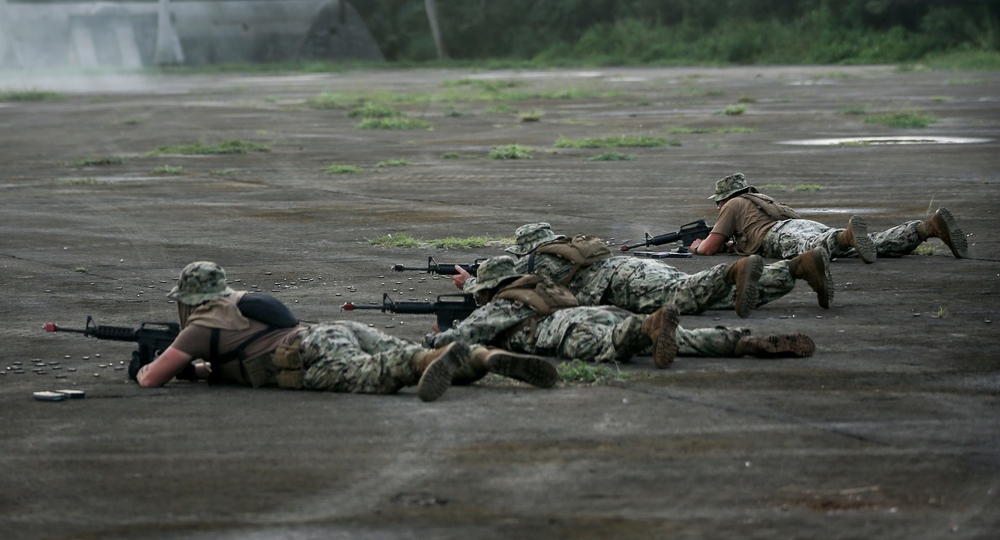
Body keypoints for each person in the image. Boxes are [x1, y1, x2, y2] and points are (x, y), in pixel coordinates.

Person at [136, 261, 558, 402]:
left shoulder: (200, 325)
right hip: (332, 331)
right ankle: (484, 357)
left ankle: (427, 363)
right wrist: (204, 371)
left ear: (189, 298)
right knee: (401, 350)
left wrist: (140, 370)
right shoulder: (238, 299)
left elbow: (155, 377)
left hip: (307, 358)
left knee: (377, 372)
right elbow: (234, 355)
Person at [429, 258, 816, 368]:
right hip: (600, 313)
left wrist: (435, 336)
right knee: (682, 341)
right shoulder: (542, 288)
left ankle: (647, 326)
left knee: (611, 346)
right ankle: (743, 343)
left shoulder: (500, 305)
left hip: (569, 334)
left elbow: (457, 340)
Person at [451, 221, 835, 314]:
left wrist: (470, 284)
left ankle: (731, 270)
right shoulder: (567, 246)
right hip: (632, 267)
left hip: (624, 285)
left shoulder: (536, 262)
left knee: (687, 299)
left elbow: (508, 294)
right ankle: (799, 268)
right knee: (712, 297)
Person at [690, 173, 969, 262]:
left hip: (778, 235)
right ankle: (925, 229)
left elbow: (710, 247)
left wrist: (695, 246)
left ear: (726, 196)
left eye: (718, 201)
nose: (718, 207)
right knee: (862, 245)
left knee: (812, 250)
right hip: (801, 225)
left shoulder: (733, 204)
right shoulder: (757, 199)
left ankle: (845, 236)